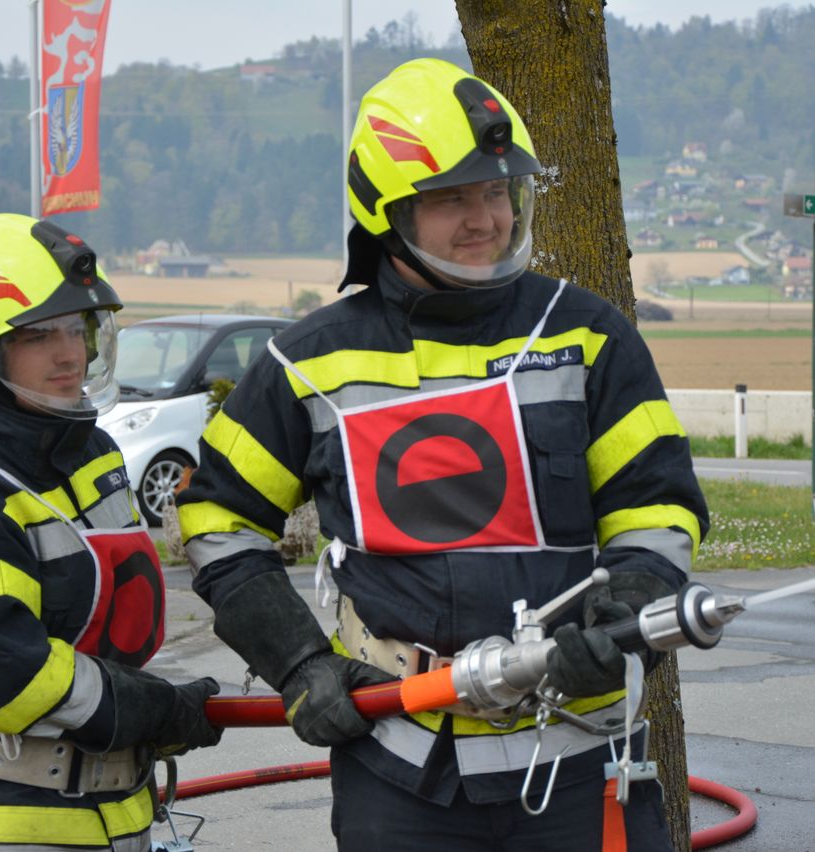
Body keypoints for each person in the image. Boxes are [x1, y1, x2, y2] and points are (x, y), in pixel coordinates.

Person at [178, 58, 709, 851]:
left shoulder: (588, 337)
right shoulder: (309, 361)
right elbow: (219, 519)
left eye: (497, 192)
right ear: (387, 213)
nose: (485, 219)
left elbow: (657, 505)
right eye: (451, 198)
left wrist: (625, 611)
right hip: (400, 765)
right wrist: (298, 663)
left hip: (578, 759)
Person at [0, 213, 222, 852]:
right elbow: (6, 672)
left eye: (78, 328)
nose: (69, 353)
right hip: (8, 823)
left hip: (122, 808)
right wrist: (153, 708)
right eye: (37, 335)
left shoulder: (94, 452)